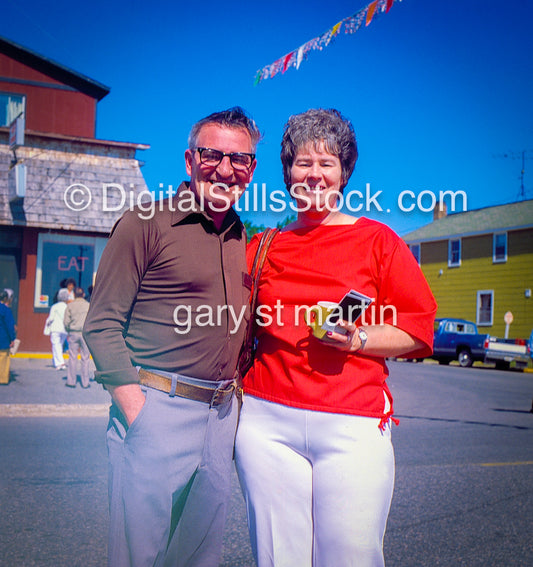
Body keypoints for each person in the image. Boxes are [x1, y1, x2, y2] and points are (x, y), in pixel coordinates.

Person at [234, 108, 438, 567]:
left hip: (351, 423)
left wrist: (358, 338)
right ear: (287, 172)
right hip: (267, 423)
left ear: (344, 172)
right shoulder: (262, 246)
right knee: (277, 558)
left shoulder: (378, 241)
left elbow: (416, 326)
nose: (315, 174)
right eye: (303, 162)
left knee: (350, 556)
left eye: (327, 163)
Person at [83, 107, 260, 567]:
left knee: (198, 557)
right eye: (211, 155)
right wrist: (139, 413)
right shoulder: (146, 223)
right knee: (137, 556)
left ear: (251, 169)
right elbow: (100, 324)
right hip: (156, 409)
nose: (224, 169)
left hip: (221, 419)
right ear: (188, 160)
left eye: (238, 159)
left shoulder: (246, 239)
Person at [64, 287, 91, 388]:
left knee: (72, 357)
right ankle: (85, 382)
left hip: (74, 332)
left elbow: (66, 321)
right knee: (85, 358)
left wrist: (68, 330)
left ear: (74, 295)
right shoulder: (88, 305)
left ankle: (71, 381)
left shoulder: (70, 306)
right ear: (83, 294)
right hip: (85, 333)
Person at [45, 288, 70, 370]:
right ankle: (57, 362)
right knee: (59, 345)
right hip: (64, 329)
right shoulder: (67, 307)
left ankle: (60, 363)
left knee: (56, 345)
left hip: (55, 328)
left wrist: (47, 323)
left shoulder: (54, 306)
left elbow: (51, 318)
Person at [0, 289, 16, 385]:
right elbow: (10, 326)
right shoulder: (6, 310)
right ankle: (2, 378)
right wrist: (12, 338)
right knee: (3, 359)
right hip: (3, 338)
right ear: (6, 298)